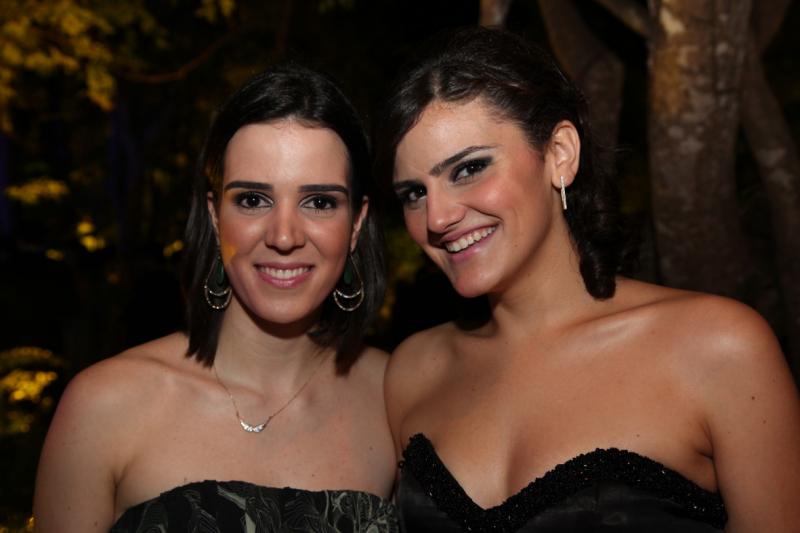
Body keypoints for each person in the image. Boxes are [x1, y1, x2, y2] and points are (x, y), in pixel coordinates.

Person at [377, 26, 800, 533]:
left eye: (469, 169)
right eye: (414, 193)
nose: (438, 217)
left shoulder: (719, 348)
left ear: (560, 154)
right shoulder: (413, 372)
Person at [34, 64, 397, 532]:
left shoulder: (396, 399)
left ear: (356, 224)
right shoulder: (103, 407)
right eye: (253, 200)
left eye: (320, 202)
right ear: (214, 215)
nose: (284, 236)